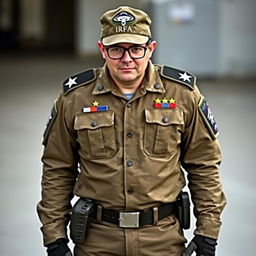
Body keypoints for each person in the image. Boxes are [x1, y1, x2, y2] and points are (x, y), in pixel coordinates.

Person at [37, 5, 226, 256]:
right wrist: (54, 238)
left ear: (151, 48)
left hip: (162, 240)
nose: (127, 59)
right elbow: (57, 167)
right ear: (102, 50)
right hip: (97, 241)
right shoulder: (75, 98)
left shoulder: (182, 94)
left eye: (136, 49)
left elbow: (204, 164)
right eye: (116, 49)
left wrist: (208, 232)